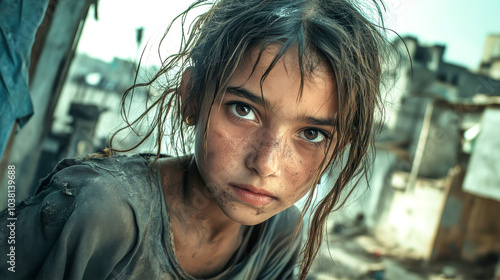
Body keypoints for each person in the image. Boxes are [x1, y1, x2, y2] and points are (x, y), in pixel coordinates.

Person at [0, 0, 392, 279]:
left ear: (337, 145)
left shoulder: (279, 234)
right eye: (244, 110)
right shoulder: (100, 213)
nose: (266, 164)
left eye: (311, 133)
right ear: (192, 98)